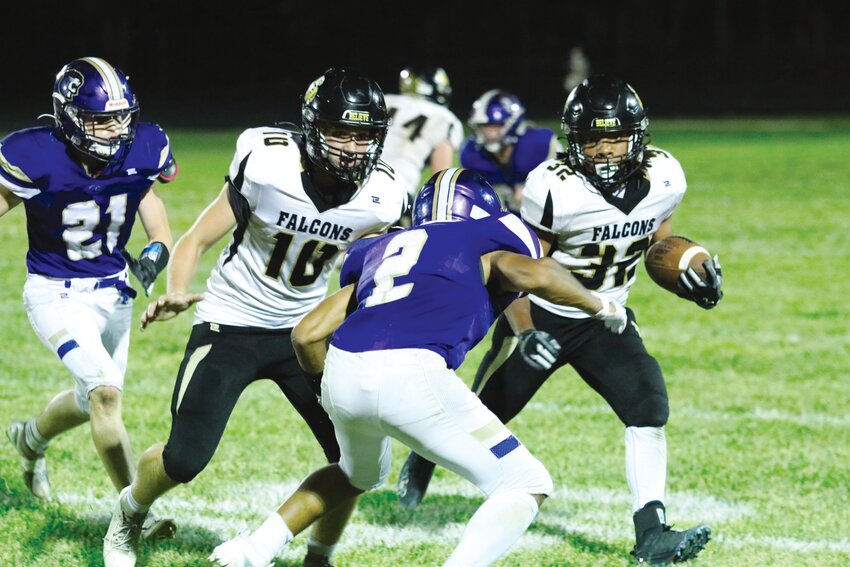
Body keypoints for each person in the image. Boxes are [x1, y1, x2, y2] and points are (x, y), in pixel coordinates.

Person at [207, 167, 628, 567]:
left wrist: (327, 394)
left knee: (356, 473)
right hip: (412, 372)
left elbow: (306, 334)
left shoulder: (382, 250)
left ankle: (252, 548)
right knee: (526, 482)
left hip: (345, 371)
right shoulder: (485, 240)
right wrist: (602, 304)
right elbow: (537, 274)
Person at [398, 76, 722, 565]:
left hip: (605, 317)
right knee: (487, 411)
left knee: (648, 403)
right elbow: (517, 271)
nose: (605, 150)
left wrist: (690, 271)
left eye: (615, 137)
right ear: (574, 141)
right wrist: (526, 334)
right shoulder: (555, 186)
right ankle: (423, 457)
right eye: (592, 139)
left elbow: (658, 245)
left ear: (638, 136)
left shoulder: (665, 176)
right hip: (544, 313)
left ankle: (651, 531)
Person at [102, 67, 407, 567]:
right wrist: (178, 290)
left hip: (305, 335)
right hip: (231, 322)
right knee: (184, 458)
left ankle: (320, 555)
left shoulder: (385, 194)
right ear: (311, 126)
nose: (352, 148)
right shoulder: (268, 163)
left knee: (356, 459)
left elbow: (375, 271)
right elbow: (198, 238)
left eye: (364, 135)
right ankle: (129, 510)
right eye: (340, 132)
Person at [0, 56, 177, 539]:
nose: (114, 130)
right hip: (54, 293)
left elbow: (150, 204)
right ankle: (133, 510)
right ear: (67, 116)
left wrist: (157, 248)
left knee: (89, 399)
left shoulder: (144, 145)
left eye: (120, 117)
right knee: (105, 391)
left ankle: (30, 439)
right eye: (99, 119)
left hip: (114, 291)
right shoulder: (33, 153)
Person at [461, 90, 561, 213]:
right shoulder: (472, 154)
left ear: (513, 123)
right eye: (484, 126)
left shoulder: (539, 144)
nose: (489, 133)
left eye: (496, 126)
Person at [382, 66, 463, 213]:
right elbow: (442, 178)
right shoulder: (445, 117)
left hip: (360, 178)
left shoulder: (385, 100)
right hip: (398, 187)